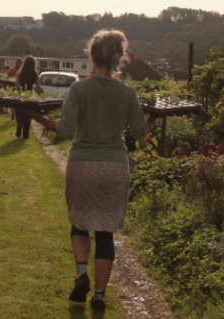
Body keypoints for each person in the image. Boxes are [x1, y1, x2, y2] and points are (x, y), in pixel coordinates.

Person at [22, 29, 155, 310]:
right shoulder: (128, 92)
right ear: (118, 58)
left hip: (82, 164)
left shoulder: (80, 89)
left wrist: (36, 117)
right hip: (115, 167)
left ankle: (81, 272)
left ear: (92, 56)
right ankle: (100, 295)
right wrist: (155, 121)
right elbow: (142, 135)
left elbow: (65, 129)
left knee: (79, 222)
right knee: (105, 231)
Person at [14, 56, 41, 139]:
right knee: (28, 113)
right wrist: (39, 95)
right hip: (29, 94)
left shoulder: (20, 71)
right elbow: (37, 86)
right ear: (34, 63)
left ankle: (19, 123)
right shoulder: (35, 72)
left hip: (20, 93)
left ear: (24, 63)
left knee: (18, 111)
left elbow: (16, 84)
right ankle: (26, 134)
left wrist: (16, 92)